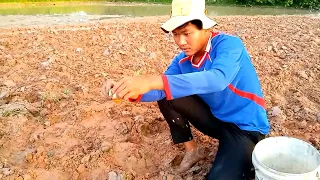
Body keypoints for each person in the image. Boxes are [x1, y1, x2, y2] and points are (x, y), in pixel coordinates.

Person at [102, 0, 270, 179]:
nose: (181, 41)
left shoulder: (229, 45)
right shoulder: (182, 60)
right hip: (217, 121)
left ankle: (242, 154)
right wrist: (126, 92)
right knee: (168, 93)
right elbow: (160, 90)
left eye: (187, 33)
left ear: (205, 28)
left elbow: (218, 78)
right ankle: (192, 151)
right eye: (176, 34)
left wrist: (154, 81)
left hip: (246, 129)